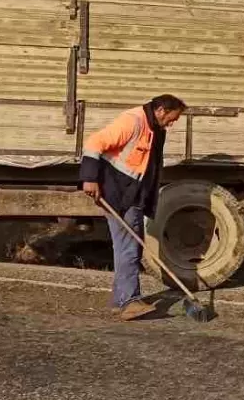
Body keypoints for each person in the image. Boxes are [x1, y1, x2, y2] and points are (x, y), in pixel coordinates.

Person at [80, 94, 187, 321]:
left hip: (133, 195)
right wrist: (89, 178)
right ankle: (130, 301)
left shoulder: (155, 129)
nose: (172, 123)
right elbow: (94, 143)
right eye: (172, 118)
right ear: (160, 110)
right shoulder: (133, 121)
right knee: (128, 247)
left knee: (129, 248)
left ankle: (120, 301)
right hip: (118, 194)